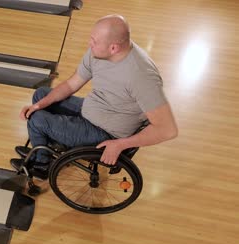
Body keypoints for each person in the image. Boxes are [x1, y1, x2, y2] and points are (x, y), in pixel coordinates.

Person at [11, 14, 178, 180]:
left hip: (105, 132)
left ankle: (42, 165)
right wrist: (38, 105)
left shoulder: (141, 77)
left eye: (94, 41)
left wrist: (120, 145)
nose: (90, 44)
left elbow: (167, 130)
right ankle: (43, 149)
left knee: (37, 120)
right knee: (41, 96)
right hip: (93, 109)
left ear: (114, 47)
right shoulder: (99, 52)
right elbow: (71, 84)